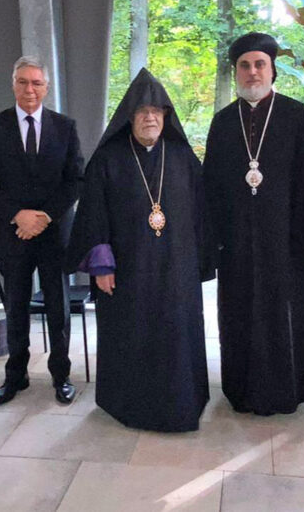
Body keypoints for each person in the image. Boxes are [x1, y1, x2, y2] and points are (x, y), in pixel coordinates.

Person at [203, 32, 304, 416]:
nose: (252, 72)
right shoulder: (222, 122)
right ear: (237, 72)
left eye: (259, 64)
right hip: (237, 244)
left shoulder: (295, 115)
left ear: (272, 69)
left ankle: (287, 390)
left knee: (286, 314)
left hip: (286, 241)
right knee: (239, 315)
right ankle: (241, 391)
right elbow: (210, 185)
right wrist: (211, 239)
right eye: (245, 66)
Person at [66, 69, 210, 431]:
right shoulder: (108, 159)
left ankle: (182, 402)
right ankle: (128, 404)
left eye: (157, 111)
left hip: (177, 269)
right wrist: (101, 266)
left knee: (176, 334)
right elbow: (94, 214)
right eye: (142, 111)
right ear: (129, 116)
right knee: (132, 334)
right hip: (128, 271)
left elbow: (203, 212)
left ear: (166, 116)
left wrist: (202, 260)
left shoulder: (182, 157)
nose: (150, 117)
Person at [0, 56, 84, 406]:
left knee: (58, 308)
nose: (30, 89)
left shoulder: (65, 127)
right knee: (15, 307)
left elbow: (75, 180)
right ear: (13, 84)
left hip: (53, 235)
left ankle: (61, 376)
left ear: (46, 87)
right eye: (23, 82)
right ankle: (15, 376)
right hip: (12, 233)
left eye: (36, 83)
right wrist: (17, 215)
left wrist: (44, 217)